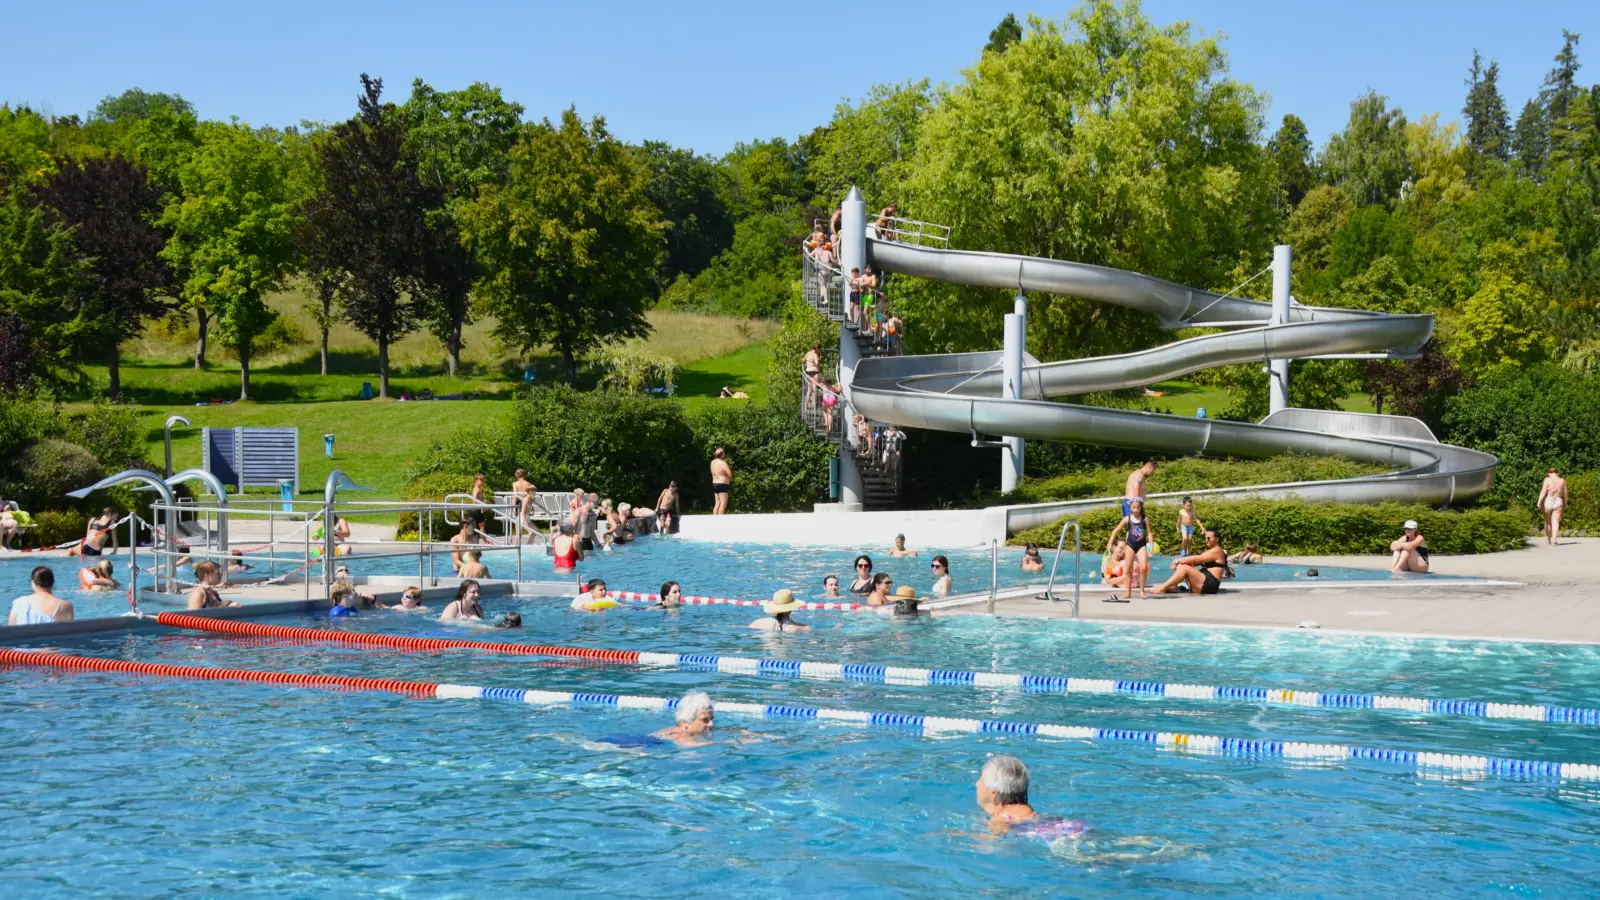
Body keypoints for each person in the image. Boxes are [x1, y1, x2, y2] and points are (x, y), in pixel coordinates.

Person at [975, 756, 1086, 840]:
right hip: (1073, 827)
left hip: (1060, 838)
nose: (976, 783)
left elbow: (991, 846)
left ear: (994, 791)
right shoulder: (1024, 811)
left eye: (980, 779)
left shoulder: (1000, 818)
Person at [1151, 527, 1230, 595]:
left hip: (1209, 586)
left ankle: (1162, 588)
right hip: (1202, 584)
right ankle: (1173, 587)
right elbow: (1194, 562)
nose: (1206, 540)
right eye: (1205, 538)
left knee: (1184, 567)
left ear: (1217, 539)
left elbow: (1196, 559)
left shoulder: (1217, 550)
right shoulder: (1209, 551)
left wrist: (1178, 560)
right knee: (1184, 565)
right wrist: (1180, 564)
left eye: (1209, 538)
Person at [1106, 499, 1153, 601]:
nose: (1135, 510)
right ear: (1130, 507)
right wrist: (1110, 542)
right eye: (1133, 508)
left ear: (1141, 508)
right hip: (1130, 545)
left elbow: (1149, 533)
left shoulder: (1145, 519)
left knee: (1143, 567)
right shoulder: (1127, 519)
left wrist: (1151, 547)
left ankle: (1142, 591)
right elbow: (1116, 530)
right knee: (1128, 569)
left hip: (1141, 545)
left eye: (1137, 508)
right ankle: (1128, 592)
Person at [652, 690, 717, 747]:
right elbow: (689, 744)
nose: (711, 724)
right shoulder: (679, 734)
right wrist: (722, 743)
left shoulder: (685, 730)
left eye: (711, 719)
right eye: (705, 720)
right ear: (686, 722)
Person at [1538, 467, 1568, 546]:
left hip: (1549, 500)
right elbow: (1565, 493)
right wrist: (1565, 502)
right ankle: (1554, 539)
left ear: (1549, 473)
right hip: (1558, 500)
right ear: (1557, 473)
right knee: (1555, 521)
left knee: (1548, 522)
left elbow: (1544, 491)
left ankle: (1548, 539)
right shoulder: (1562, 480)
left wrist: (1539, 501)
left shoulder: (1547, 480)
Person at [710, 448, 732, 515]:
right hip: (722, 484)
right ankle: (720, 521)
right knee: (723, 503)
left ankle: (714, 520)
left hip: (714, 483)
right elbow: (730, 474)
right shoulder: (723, 463)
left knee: (717, 503)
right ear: (722, 454)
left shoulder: (712, 462)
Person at [802, 344, 822, 411]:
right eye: (819, 350)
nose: (819, 351)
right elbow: (816, 363)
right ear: (817, 349)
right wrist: (819, 368)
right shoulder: (815, 355)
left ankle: (805, 406)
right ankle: (814, 405)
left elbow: (802, 360)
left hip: (808, 372)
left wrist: (808, 362)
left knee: (809, 390)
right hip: (815, 372)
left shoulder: (808, 353)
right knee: (814, 388)